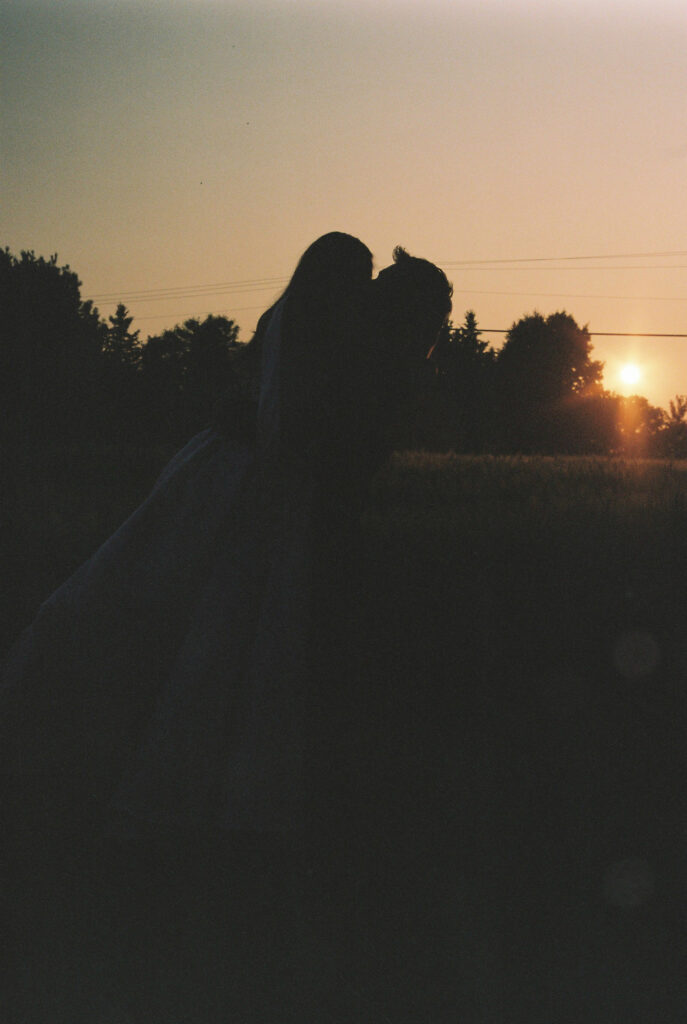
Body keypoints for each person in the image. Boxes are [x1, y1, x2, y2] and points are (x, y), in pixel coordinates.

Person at [0, 235, 452, 1020]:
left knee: (209, 639)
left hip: (251, 493)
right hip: (251, 498)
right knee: (210, 638)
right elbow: (314, 437)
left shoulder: (355, 348)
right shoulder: (358, 350)